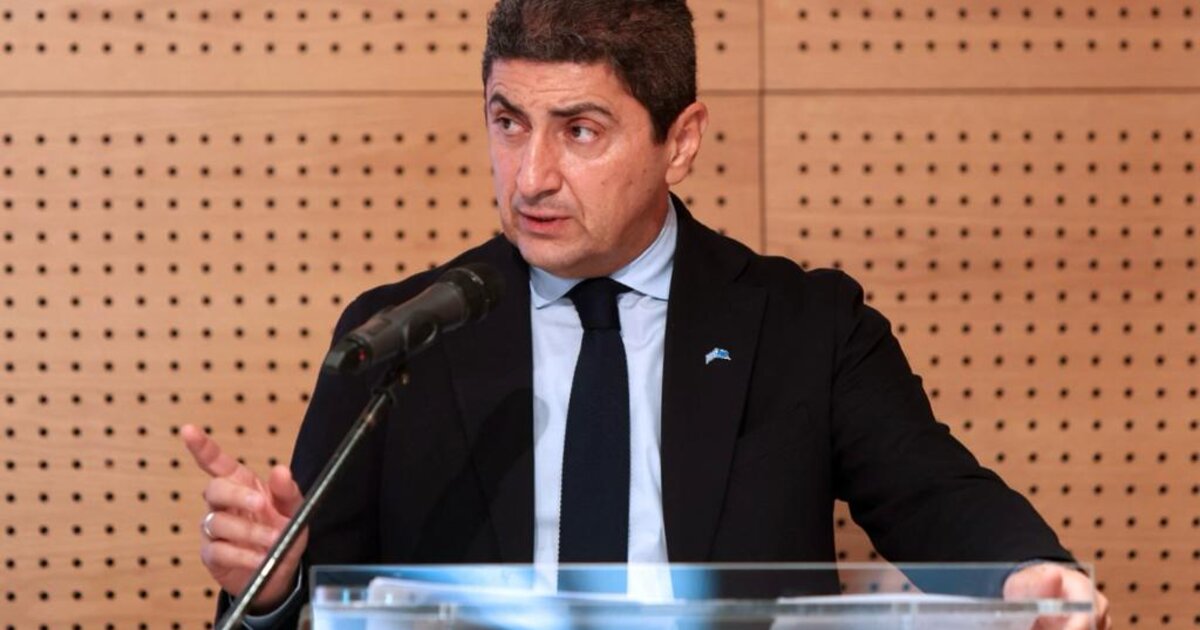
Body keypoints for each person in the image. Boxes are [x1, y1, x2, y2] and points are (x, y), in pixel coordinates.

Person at [181, 1, 1111, 628]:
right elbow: (309, 594)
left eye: (579, 130)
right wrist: (273, 581)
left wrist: (1025, 575)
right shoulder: (402, 335)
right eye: (508, 122)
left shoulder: (805, 328)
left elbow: (936, 498)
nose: (531, 176)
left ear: (682, 141)